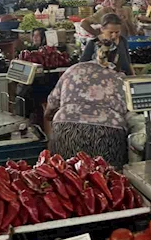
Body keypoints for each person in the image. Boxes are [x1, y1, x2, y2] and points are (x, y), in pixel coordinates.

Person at [46, 36, 129, 169]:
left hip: (66, 129)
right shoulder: (120, 78)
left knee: (66, 176)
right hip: (108, 133)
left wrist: (50, 116)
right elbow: (130, 113)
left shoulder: (72, 71)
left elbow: (51, 105)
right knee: (107, 178)